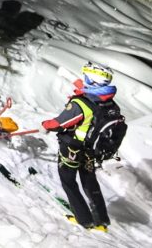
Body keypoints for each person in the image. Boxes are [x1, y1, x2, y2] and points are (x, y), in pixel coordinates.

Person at [40, 62, 118, 232]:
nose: (85, 80)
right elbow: (89, 91)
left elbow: (59, 123)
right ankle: (101, 220)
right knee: (90, 183)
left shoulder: (80, 104)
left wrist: (45, 125)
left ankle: (84, 220)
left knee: (68, 181)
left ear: (93, 81)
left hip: (73, 150)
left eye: (87, 78)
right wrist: (71, 78)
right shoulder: (109, 102)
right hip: (92, 151)